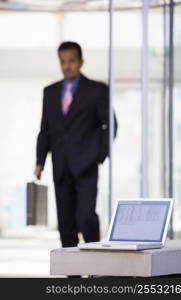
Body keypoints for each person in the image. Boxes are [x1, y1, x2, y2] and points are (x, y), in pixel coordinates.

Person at [34, 41, 117, 247]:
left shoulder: (96, 90)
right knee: (65, 222)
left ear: (81, 62)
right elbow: (45, 130)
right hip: (60, 166)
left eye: (71, 61)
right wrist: (40, 162)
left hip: (86, 164)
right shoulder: (50, 92)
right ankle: (73, 276)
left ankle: (94, 270)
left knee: (87, 216)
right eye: (63, 61)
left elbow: (111, 124)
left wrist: (99, 155)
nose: (67, 66)